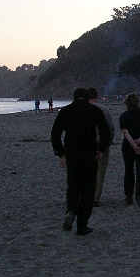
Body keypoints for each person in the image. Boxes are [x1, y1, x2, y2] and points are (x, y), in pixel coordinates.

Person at [50, 87, 111, 235]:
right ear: (88, 96)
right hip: (89, 154)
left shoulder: (65, 111)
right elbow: (105, 132)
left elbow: (55, 133)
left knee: (73, 186)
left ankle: (71, 210)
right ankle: (82, 225)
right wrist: (101, 150)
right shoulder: (95, 111)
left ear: (74, 96)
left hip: (72, 154)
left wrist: (61, 154)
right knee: (88, 190)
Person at [89, 87, 115, 207]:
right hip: (102, 144)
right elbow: (111, 129)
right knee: (100, 173)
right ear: (96, 96)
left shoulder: (81, 109)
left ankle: (84, 196)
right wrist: (107, 145)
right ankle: (95, 198)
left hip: (85, 146)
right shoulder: (104, 110)